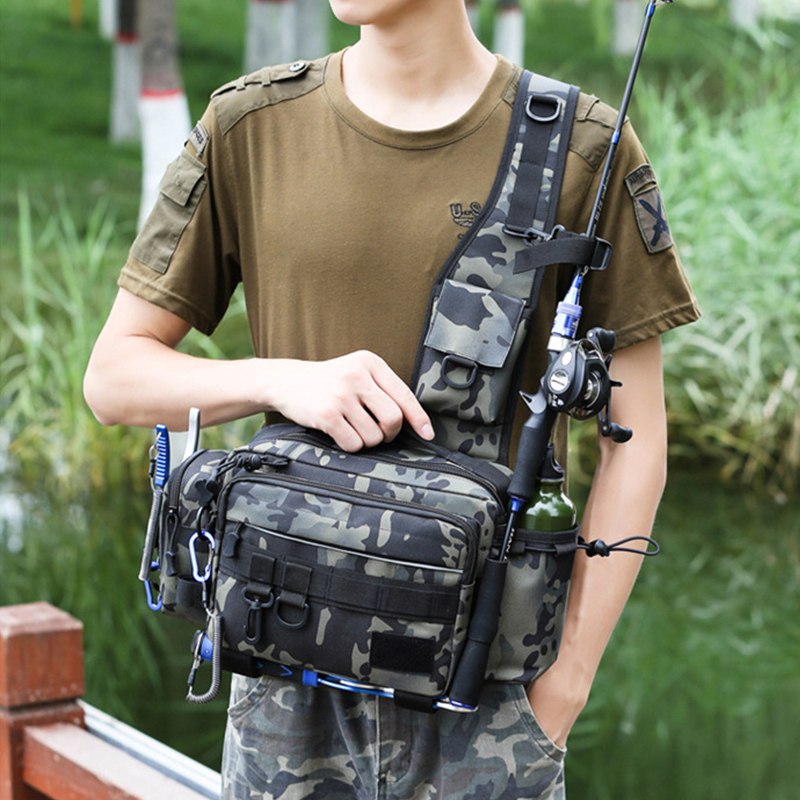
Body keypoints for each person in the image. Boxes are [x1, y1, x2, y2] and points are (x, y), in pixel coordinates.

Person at [84, 0, 700, 797]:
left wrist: (562, 690)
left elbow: (636, 442)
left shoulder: (583, 147)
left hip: (489, 703)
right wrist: (282, 379)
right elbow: (115, 377)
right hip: (286, 682)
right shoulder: (249, 126)